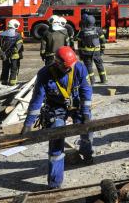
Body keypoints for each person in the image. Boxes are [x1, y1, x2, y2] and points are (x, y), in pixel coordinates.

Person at [22, 46, 93, 189]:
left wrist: (85, 113)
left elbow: (86, 90)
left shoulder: (79, 68)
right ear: (58, 63)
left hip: (76, 103)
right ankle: (55, 183)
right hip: (56, 108)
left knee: (87, 130)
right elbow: (37, 100)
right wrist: (28, 124)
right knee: (56, 138)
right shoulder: (44, 74)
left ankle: (87, 154)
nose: (70, 69)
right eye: (67, 67)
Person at [76, 15, 107, 85]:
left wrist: (80, 54)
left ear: (86, 22)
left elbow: (79, 45)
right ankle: (103, 80)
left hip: (86, 53)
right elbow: (102, 41)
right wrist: (102, 51)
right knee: (100, 65)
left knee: (89, 67)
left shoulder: (82, 32)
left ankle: (92, 81)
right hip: (96, 52)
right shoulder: (98, 30)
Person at [0, 19, 24, 86]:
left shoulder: (2, 34)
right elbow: (19, 46)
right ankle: (12, 84)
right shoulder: (17, 35)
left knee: (5, 69)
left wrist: (1, 54)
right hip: (15, 56)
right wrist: (14, 51)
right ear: (15, 26)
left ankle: (3, 82)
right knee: (14, 69)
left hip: (5, 56)